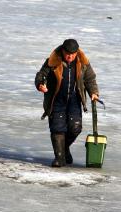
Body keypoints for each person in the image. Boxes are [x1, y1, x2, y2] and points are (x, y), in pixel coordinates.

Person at [35, 39, 99, 167]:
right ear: (63, 51)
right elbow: (41, 75)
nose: (70, 57)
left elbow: (90, 79)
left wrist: (94, 92)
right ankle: (59, 158)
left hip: (74, 99)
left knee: (75, 128)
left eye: (73, 54)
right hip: (56, 99)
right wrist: (40, 84)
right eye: (68, 54)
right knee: (58, 128)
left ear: (76, 53)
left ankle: (63, 149)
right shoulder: (53, 61)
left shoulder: (83, 62)